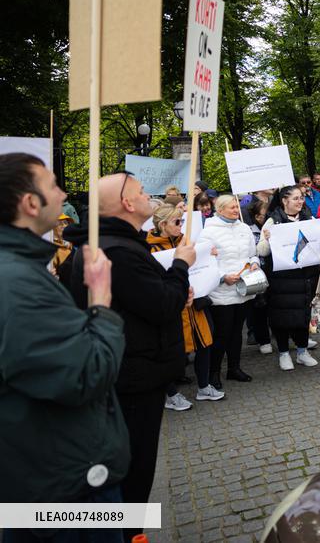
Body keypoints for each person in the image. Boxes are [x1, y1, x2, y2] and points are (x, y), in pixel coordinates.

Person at [0, 154, 131, 530]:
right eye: (53, 185)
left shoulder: (20, 269)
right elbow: (86, 374)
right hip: (65, 488)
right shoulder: (18, 283)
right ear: (30, 203)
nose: (62, 195)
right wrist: (102, 302)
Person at [66, 172, 194, 540]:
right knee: (134, 471)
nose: (147, 197)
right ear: (127, 203)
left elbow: (145, 300)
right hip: (133, 377)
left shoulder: (112, 245)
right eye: (140, 192)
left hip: (129, 370)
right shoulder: (118, 251)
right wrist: (181, 266)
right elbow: (159, 304)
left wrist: (173, 288)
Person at [146, 204, 222, 407]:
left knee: (205, 343)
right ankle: (170, 394)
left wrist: (209, 255)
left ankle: (204, 387)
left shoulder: (187, 243)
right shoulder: (150, 248)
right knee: (172, 350)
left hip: (195, 305)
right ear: (162, 224)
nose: (181, 226)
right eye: (177, 222)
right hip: (173, 308)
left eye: (182, 221)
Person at [197, 194, 260, 385]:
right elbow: (204, 263)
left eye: (236, 206)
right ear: (220, 209)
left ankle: (234, 368)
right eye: (232, 207)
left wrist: (254, 264)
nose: (236, 209)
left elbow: (252, 254)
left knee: (236, 332)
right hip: (221, 292)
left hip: (243, 289)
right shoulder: (208, 232)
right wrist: (223, 277)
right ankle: (214, 372)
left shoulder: (243, 228)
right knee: (222, 334)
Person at [257, 186, 320, 371]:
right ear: (284, 200)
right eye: (295, 198)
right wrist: (267, 240)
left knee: (303, 316)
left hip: (305, 278)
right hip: (281, 280)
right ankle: (284, 353)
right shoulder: (272, 221)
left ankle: (302, 352)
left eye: (301, 198)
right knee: (281, 317)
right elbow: (261, 251)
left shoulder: (310, 219)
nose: (300, 202)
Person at [244, 197, 273, 354]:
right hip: (258, 273)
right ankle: (263, 339)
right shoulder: (249, 231)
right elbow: (253, 251)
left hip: (273, 271)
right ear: (257, 217)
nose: (268, 217)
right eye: (264, 215)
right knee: (260, 307)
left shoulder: (275, 225)